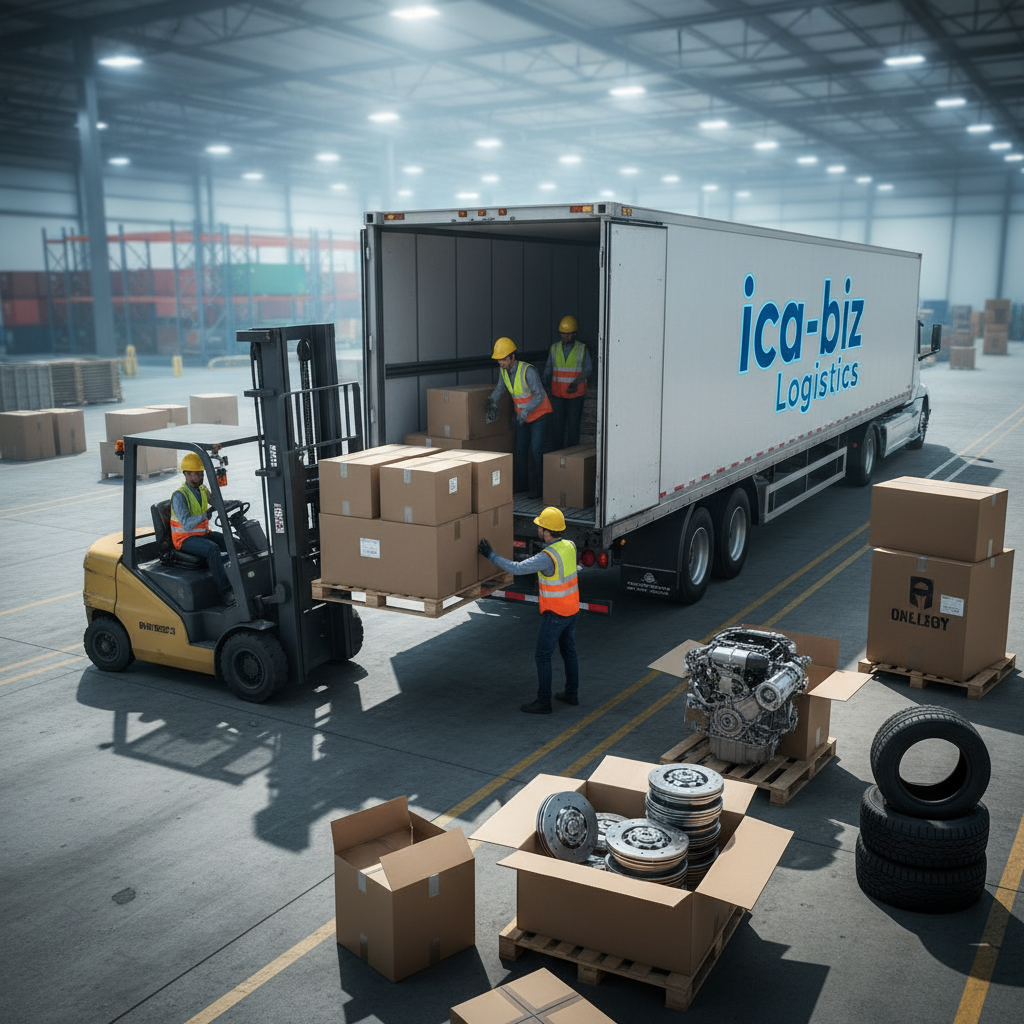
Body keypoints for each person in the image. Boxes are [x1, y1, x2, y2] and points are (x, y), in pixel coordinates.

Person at [479, 506, 579, 714]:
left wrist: (490, 554)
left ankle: (544, 702)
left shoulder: (547, 556)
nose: (538, 530)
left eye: (540, 527)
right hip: (572, 610)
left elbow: (516, 568)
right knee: (569, 652)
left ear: (546, 531)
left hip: (555, 614)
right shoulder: (570, 546)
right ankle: (572, 693)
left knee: (542, 657)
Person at [486, 336, 552, 498]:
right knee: (520, 450)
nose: (500, 363)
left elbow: (539, 395)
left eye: (503, 359)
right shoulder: (503, 371)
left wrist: (525, 411)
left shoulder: (528, 371)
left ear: (512, 357)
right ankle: (522, 486)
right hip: (523, 417)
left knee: (536, 451)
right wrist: (491, 401)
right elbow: (500, 389)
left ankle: (539, 489)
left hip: (539, 416)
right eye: (498, 360)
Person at [170, 453, 235, 606]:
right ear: (186, 474)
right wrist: (204, 515)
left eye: (202, 473)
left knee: (230, 541)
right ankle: (225, 592)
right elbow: (185, 524)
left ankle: (241, 578)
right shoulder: (179, 495)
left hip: (202, 534)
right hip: (184, 539)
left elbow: (215, 502)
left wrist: (228, 504)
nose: (201, 476)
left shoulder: (202, 489)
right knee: (212, 549)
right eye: (197, 473)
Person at [542, 315, 592, 449]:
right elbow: (548, 369)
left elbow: (588, 369)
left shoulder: (582, 349)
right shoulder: (554, 348)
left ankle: (572, 460)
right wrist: (544, 385)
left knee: (573, 430)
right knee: (557, 430)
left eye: (568, 334)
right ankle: (557, 458)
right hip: (558, 395)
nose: (566, 337)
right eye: (563, 334)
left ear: (574, 333)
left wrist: (576, 382)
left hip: (576, 396)